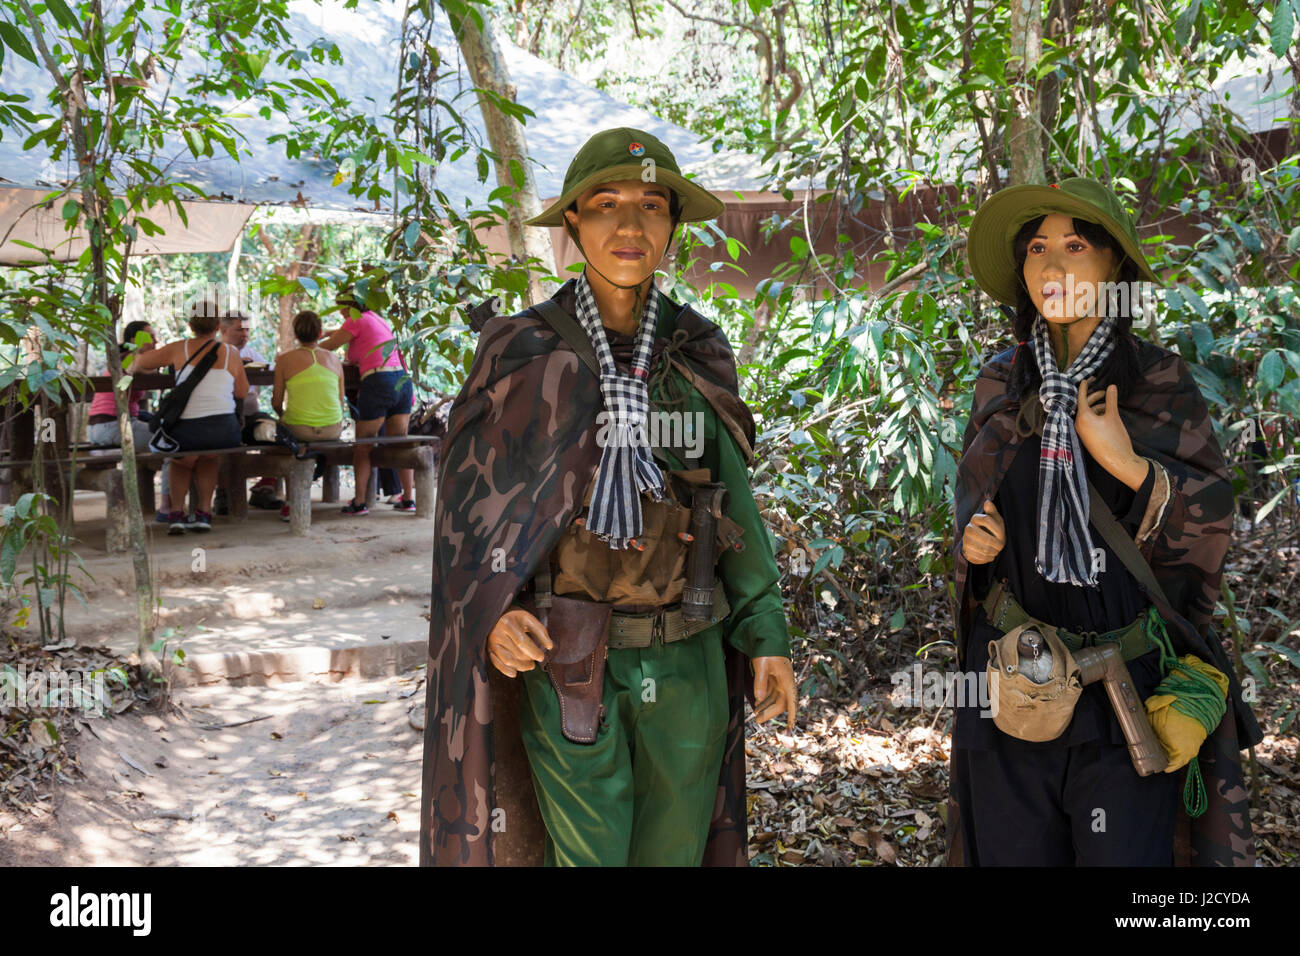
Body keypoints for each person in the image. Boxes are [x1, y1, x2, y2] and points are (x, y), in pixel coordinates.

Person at [419, 128, 797, 867]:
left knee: (673, 856)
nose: (629, 226)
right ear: (573, 222)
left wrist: (767, 632)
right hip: (570, 662)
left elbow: (735, 507)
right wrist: (494, 615)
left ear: (672, 225)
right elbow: (469, 525)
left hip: (686, 665)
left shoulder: (694, 352)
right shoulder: (521, 353)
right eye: (606, 204)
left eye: (652, 205)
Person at [947, 177, 1262, 866]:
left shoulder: (1158, 382)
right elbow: (971, 509)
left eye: (1075, 245)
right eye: (1036, 247)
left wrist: (1131, 469)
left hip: (1126, 695)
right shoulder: (1002, 381)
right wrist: (976, 543)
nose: (1052, 265)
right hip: (1012, 687)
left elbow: (1212, 531)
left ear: (1113, 264)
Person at [133, 300, 248, 534]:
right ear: (218, 326)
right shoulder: (231, 353)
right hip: (223, 431)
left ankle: (176, 514)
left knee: (181, 460)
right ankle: (203, 514)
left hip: (186, 431)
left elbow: (141, 363)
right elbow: (242, 392)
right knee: (208, 457)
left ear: (190, 325)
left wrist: (136, 358)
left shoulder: (178, 349)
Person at [319, 291, 415, 513]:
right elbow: (347, 333)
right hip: (401, 380)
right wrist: (330, 331)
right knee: (399, 442)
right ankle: (408, 500)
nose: (341, 314)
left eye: (341, 309)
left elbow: (328, 347)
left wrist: (303, 349)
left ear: (347, 308)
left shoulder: (354, 320)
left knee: (363, 445)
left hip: (378, 380)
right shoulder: (376, 318)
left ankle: (359, 502)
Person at [273, 310, 346, 522]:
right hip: (333, 428)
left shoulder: (285, 360)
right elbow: (340, 401)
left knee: (284, 436)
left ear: (295, 334)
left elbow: (276, 402)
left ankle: (290, 502)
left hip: (300, 430)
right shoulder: (334, 359)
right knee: (293, 434)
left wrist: (283, 417)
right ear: (320, 332)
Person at [219, 310, 280, 511]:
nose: (245, 335)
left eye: (247, 330)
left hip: (251, 418)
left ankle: (265, 487)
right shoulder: (215, 353)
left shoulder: (251, 354)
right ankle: (223, 492)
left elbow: (273, 374)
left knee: (277, 433)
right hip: (223, 419)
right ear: (223, 330)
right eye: (239, 330)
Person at [87, 320, 156, 450]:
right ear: (134, 340)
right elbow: (136, 367)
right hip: (113, 426)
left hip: (97, 429)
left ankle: (145, 469)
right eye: (151, 337)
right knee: (170, 439)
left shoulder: (121, 358)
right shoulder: (128, 358)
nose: (155, 342)